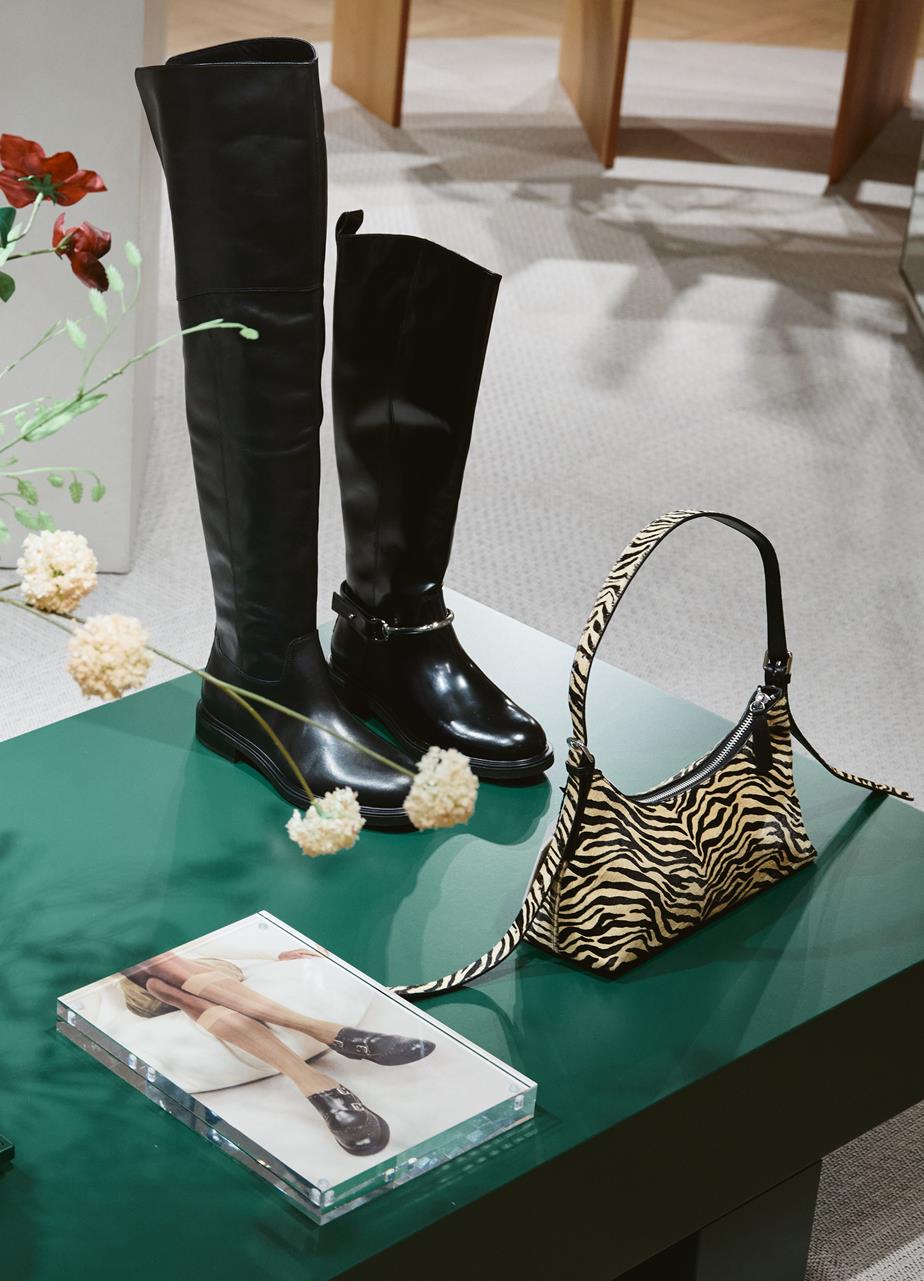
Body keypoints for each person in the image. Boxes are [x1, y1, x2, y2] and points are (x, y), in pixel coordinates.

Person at [120, 947, 434, 1157]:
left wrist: (274, 956)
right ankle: (335, 1037)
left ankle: (315, 1082)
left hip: (202, 970)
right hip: (144, 992)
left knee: (158, 970)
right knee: (147, 974)